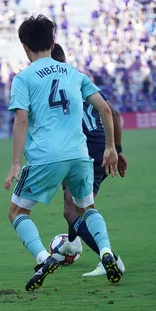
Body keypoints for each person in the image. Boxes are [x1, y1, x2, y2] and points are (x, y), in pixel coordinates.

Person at [3, 15, 121, 292]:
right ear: (53, 42)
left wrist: (15, 163)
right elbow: (106, 110)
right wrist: (111, 148)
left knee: (17, 212)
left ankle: (44, 258)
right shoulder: (74, 73)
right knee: (87, 208)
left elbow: (21, 120)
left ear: (24, 47)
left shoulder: (23, 78)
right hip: (80, 155)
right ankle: (106, 252)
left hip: (46, 156)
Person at [51, 43, 128, 277]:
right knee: (76, 204)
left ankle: (111, 259)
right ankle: (72, 242)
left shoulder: (51, 85)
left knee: (74, 210)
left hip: (82, 149)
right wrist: (116, 148)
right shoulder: (78, 78)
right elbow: (113, 113)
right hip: (100, 145)